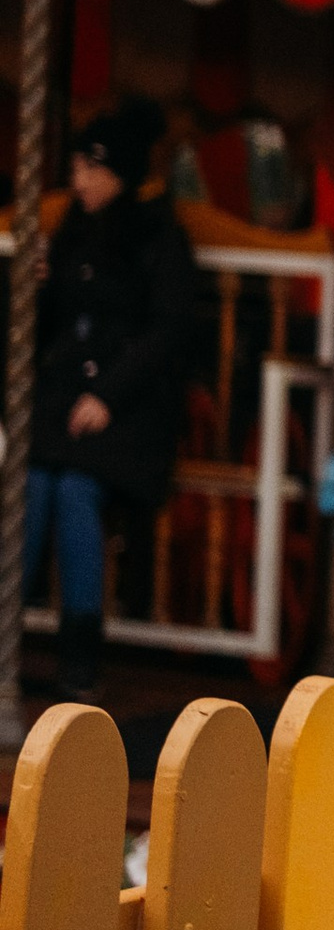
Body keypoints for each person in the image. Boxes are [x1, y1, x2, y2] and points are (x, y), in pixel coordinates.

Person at [20, 96, 197, 692]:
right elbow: (48, 332)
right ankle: (8, 635)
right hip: (64, 405)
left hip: (129, 413)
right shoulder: (70, 233)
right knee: (34, 485)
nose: (81, 182)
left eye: (93, 170)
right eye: (76, 170)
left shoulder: (159, 239)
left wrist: (109, 396)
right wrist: (37, 292)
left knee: (73, 489)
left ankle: (80, 649)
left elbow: (167, 332)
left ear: (120, 173)